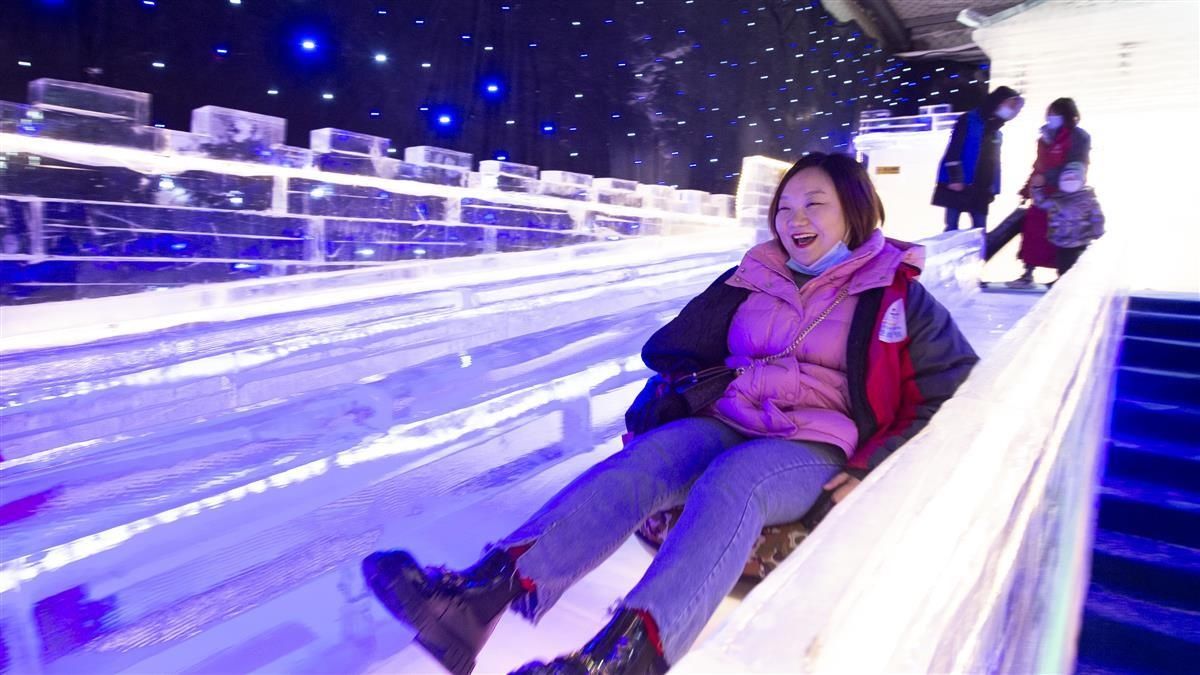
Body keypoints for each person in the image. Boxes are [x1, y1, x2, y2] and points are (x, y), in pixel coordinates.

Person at [362, 153, 980, 675]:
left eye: (814, 204)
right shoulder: (753, 276)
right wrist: (663, 402)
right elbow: (683, 348)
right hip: (733, 417)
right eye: (785, 207)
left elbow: (956, 385)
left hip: (814, 443)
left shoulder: (896, 292)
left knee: (734, 481)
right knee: (647, 461)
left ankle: (621, 657)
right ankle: (474, 601)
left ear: (854, 209)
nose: (795, 220)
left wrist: (879, 463)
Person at [1008, 97, 1092, 288]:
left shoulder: (1079, 137)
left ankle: (1063, 276)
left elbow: (1076, 166)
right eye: (1050, 113)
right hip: (1042, 194)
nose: (1051, 117)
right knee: (1033, 233)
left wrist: (1050, 177)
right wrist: (1028, 187)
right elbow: (1039, 165)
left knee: (1062, 237)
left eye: (1055, 113)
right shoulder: (1044, 137)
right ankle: (1027, 273)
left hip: (1065, 197)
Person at [933, 86, 1024, 232]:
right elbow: (954, 149)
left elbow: (995, 163)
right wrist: (955, 178)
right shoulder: (969, 120)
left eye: (1014, 107)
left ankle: (977, 255)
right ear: (998, 101)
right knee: (951, 227)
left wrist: (993, 188)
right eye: (1010, 105)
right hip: (960, 185)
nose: (1011, 110)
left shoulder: (997, 132)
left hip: (981, 189)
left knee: (979, 231)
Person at [1032, 161, 1104, 277]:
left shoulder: (1088, 199)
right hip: (1061, 242)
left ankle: (1072, 285)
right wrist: (1037, 188)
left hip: (1080, 241)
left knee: (1077, 268)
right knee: (1064, 267)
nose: (1070, 180)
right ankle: (1063, 282)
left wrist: (1098, 233)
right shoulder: (1057, 199)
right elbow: (1042, 203)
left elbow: (1097, 218)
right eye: (1067, 177)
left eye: (1073, 177)